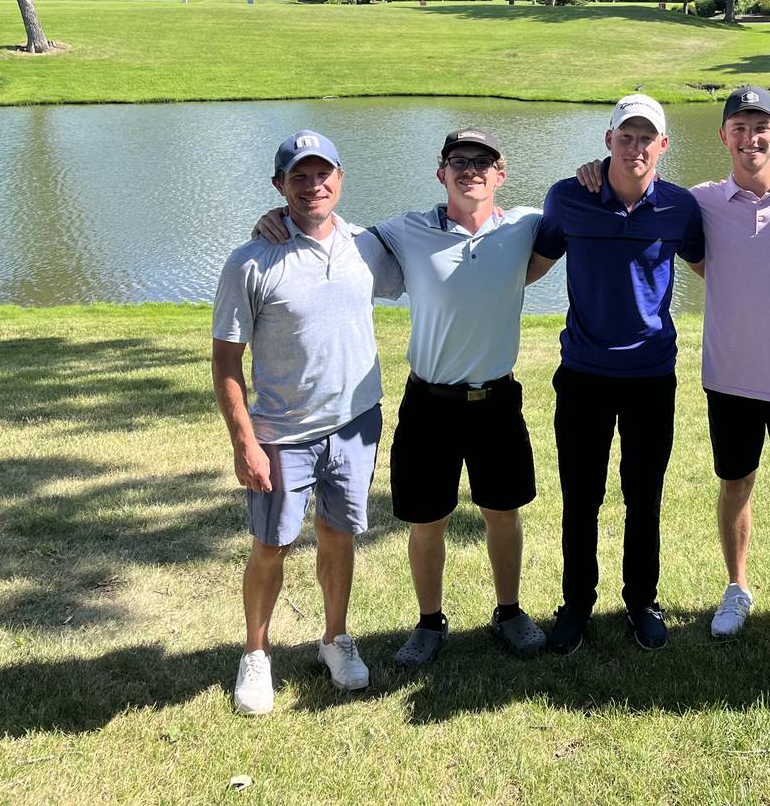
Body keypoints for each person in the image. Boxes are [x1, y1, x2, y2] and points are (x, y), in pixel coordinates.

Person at [254, 128, 551, 667]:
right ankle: (430, 622)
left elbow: (582, 218)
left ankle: (508, 611)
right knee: (427, 519)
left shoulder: (527, 226)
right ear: (441, 173)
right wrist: (278, 219)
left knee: (502, 512)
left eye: (483, 161)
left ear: (500, 174)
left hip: (497, 400)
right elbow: (328, 235)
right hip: (430, 403)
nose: (470, 170)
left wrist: (596, 174)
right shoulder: (405, 231)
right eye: (458, 161)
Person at [577, 86, 770, 641]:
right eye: (739, 128)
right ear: (723, 136)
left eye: (760, 126)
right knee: (735, 484)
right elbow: (668, 222)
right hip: (730, 375)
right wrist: (598, 171)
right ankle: (737, 588)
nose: (750, 138)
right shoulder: (698, 202)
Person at [212, 130, 403, 717]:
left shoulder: (366, 247)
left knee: (339, 535)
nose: (312, 185)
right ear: (280, 186)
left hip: (354, 425)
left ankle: (335, 639)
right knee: (271, 545)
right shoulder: (253, 258)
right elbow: (225, 360)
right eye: (299, 176)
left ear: (341, 179)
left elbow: (435, 255)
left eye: (323, 174)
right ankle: (256, 653)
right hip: (280, 432)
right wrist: (245, 441)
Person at [529, 93, 705, 654]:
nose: (635, 147)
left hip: (652, 375)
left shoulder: (680, 207)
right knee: (581, 497)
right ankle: (576, 604)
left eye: (645, 138)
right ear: (608, 141)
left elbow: (712, 265)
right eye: (624, 137)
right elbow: (532, 262)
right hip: (583, 374)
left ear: (663, 146)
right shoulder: (568, 197)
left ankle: (641, 601)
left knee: (643, 496)